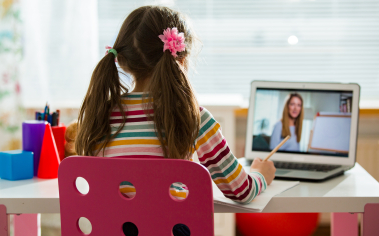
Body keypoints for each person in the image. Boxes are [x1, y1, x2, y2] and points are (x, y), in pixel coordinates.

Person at [73, 6, 276, 235]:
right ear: (181, 56)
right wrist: (260, 174)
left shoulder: (100, 114)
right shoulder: (193, 116)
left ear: (121, 59)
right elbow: (241, 191)